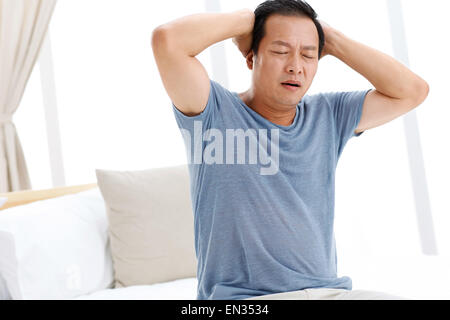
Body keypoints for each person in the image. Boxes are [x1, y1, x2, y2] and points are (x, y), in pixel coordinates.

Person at [151, 0, 428, 300]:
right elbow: (168, 41)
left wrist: (331, 39)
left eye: (309, 54)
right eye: (281, 51)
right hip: (246, 300)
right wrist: (246, 21)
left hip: (328, 293)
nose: (296, 65)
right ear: (251, 57)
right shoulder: (213, 113)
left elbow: (412, 92)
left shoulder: (329, 116)